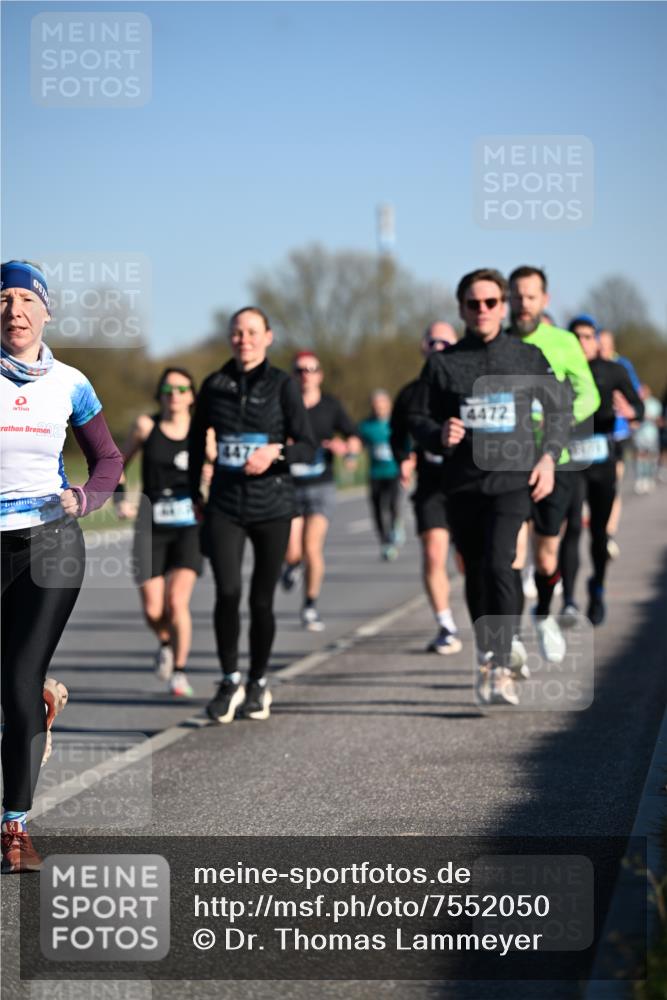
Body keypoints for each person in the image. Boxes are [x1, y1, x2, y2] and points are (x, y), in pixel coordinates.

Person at [1, 260, 122, 873]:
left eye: (26, 299)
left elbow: (108, 458)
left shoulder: (71, 382)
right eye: (3, 299)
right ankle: (38, 705)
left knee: (17, 680)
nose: (14, 310)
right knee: (11, 687)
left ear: (46, 311)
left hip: (49, 544)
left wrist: (86, 498)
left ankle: (14, 830)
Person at [409, 268, 570, 706]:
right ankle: (488, 651)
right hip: (461, 484)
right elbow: (417, 418)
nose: (482, 311)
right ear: (461, 308)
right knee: (477, 571)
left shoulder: (526, 356)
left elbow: (560, 408)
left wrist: (548, 458)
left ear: (503, 305)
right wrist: (438, 434)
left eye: (491, 303)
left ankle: (502, 661)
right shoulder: (443, 364)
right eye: (473, 304)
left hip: (512, 480)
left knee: (503, 563)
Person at [188, 306, 317, 724]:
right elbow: (194, 444)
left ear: (268, 337)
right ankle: (229, 680)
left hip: (273, 506)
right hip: (225, 503)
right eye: (237, 332)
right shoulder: (214, 384)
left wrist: (276, 451)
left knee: (261, 601)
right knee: (227, 593)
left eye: (251, 332)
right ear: (230, 338)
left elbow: (309, 445)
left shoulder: (282, 385)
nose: (244, 339)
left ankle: (258, 682)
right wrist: (195, 494)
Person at [507, 268, 600, 664]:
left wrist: (552, 416)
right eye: (516, 296)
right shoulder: (500, 342)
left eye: (530, 297)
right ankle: (509, 639)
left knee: (546, 557)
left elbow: (589, 395)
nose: (522, 304)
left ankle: (543, 614)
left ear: (544, 300)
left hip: (555, 462)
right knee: (509, 553)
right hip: (508, 464)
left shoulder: (562, 343)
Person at [115, 368, 216, 696]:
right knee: (153, 609)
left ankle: (180, 672)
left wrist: (212, 475)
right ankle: (165, 643)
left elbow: (223, 470)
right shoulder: (146, 427)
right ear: (160, 394)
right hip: (150, 526)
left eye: (182, 388)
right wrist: (120, 501)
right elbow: (115, 462)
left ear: (191, 395)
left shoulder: (205, 433)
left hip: (189, 526)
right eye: (168, 388)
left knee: (176, 601)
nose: (174, 394)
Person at [559, 317, 643, 624]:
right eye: (575, 337)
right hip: (570, 459)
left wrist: (632, 411)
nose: (581, 342)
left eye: (587, 337)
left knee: (598, 533)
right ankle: (568, 599)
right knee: (571, 527)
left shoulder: (613, 370)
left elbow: (639, 406)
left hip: (602, 459)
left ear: (596, 340)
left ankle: (597, 589)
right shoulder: (560, 371)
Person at [390, 322, 462, 654]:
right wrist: (403, 457)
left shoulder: (466, 387)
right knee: (434, 553)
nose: (439, 348)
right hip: (431, 483)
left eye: (446, 342)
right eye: (433, 342)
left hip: (467, 483)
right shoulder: (409, 393)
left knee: (467, 562)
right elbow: (397, 435)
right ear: (424, 346)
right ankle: (446, 625)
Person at [281, 350, 360, 632]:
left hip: (320, 485)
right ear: (292, 376)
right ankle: (291, 566)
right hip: (289, 486)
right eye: (299, 370)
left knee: (311, 548)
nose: (305, 375)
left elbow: (353, 438)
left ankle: (310, 605)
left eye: (310, 369)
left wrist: (346, 449)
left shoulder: (330, 406)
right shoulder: (284, 406)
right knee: (291, 551)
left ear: (319, 375)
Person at [598, 329, 642, 557]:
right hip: (593, 436)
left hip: (617, 435)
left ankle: (608, 534)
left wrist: (630, 410)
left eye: (606, 344)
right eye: (599, 344)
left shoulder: (621, 366)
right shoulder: (588, 365)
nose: (602, 348)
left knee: (613, 486)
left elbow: (636, 394)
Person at [358, 390, 402, 561]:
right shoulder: (366, 426)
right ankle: (385, 542)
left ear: (388, 404)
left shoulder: (396, 423)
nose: (379, 407)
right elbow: (358, 444)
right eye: (376, 404)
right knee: (377, 508)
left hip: (394, 472)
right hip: (375, 473)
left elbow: (408, 444)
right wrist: (352, 456)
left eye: (382, 403)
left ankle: (394, 530)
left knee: (392, 505)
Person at [632, 384, 662, 494]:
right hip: (639, 435)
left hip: (651, 434)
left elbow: (658, 419)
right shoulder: (636, 403)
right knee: (640, 456)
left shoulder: (654, 404)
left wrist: (647, 417)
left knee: (651, 456)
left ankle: (649, 477)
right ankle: (641, 479)